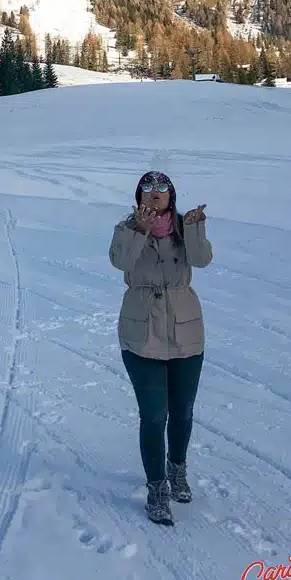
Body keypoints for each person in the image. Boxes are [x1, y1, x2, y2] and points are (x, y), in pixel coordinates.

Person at [109, 171, 212, 526]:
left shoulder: (184, 228)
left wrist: (196, 227)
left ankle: (176, 469)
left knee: (182, 410)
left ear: (172, 195)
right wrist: (138, 228)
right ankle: (157, 487)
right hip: (141, 335)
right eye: (148, 189)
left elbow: (201, 260)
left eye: (162, 189)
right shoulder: (126, 228)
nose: (155, 195)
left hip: (186, 333)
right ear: (139, 196)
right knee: (154, 414)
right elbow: (121, 262)